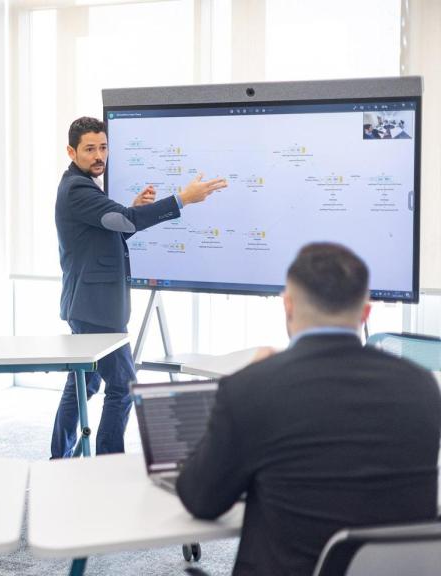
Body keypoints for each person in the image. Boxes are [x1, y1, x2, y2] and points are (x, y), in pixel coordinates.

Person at [176, 243, 441, 576]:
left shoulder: (252, 387)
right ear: (365, 313)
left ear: (287, 305)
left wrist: (246, 381)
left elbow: (201, 500)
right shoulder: (422, 387)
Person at [51, 116, 228, 457]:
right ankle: (105, 460)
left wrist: (133, 210)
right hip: (95, 308)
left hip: (89, 304)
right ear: (71, 151)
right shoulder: (77, 188)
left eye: (103, 147)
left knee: (82, 384)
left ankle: (61, 456)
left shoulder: (81, 184)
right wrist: (181, 199)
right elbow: (124, 222)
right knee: (123, 387)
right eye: (90, 149)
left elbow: (114, 229)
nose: (99, 155)